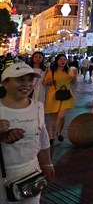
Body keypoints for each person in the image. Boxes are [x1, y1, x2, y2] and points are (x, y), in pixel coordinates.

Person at [0, 63, 55, 203]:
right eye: (20, 80)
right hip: (4, 174)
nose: (27, 84)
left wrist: (47, 164)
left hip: (31, 173)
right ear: (5, 83)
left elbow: (42, 138)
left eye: (30, 80)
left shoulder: (38, 106)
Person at [43, 53, 77, 144]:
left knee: (61, 116)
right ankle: (51, 137)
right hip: (54, 95)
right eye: (61, 59)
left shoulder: (69, 70)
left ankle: (59, 132)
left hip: (66, 95)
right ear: (57, 61)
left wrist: (74, 77)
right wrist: (49, 81)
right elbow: (46, 83)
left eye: (64, 59)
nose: (63, 61)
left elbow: (74, 82)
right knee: (52, 117)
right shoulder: (51, 71)